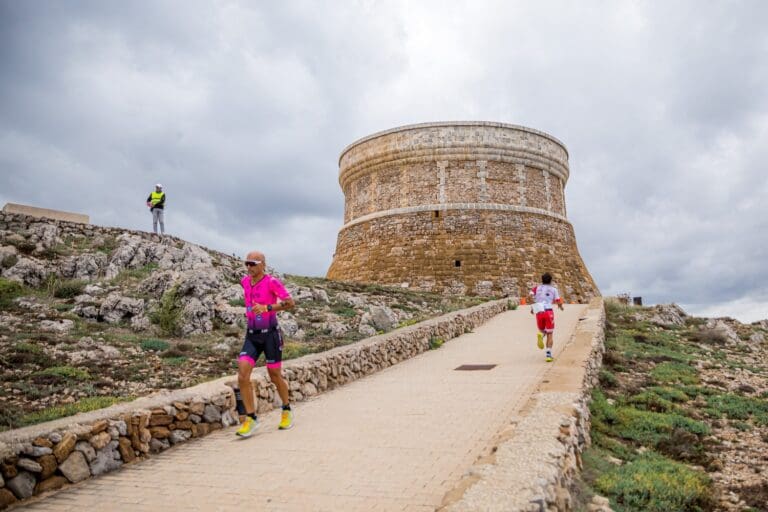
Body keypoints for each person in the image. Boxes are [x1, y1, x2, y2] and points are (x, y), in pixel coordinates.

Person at [235, 250, 296, 437]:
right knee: (242, 374)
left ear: (262, 264)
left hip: (270, 335)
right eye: (247, 263)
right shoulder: (245, 282)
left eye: (253, 263)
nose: (249, 267)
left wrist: (267, 307)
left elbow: (290, 302)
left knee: (274, 374)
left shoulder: (272, 282)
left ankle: (286, 409)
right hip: (252, 335)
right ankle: (251, 419)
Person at [529, 272, 564, 362]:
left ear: (542, 280)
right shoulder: (553, 289)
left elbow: (530, 296)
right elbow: (558, 301)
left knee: (542, 330)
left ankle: (541, 334)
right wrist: (561, 307)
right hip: (548, 311)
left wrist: (533, 306)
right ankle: (548, 355)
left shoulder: (536, 288)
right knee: (550, 333)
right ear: (550, 280)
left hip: (539, 311)